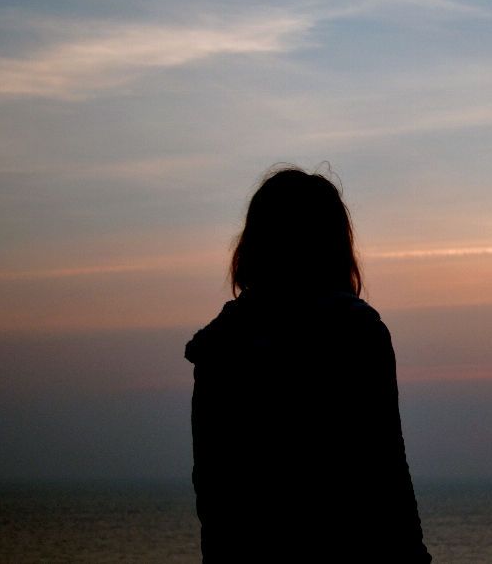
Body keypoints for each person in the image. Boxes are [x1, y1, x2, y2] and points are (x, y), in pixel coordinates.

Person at [185, 166, 432, 563]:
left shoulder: (218, 347)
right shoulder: (355, 333)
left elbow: (213, 494)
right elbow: (387, 478)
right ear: (335, 245)